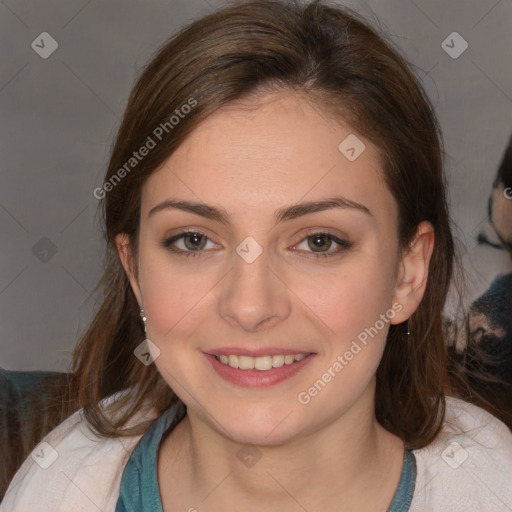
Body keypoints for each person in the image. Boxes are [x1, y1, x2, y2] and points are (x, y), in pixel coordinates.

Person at [2, 1, 511, 510]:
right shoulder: (55, 491)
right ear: (135, 271)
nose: (249, 307)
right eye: (193, 240)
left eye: (319, 242)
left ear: (407, 273)